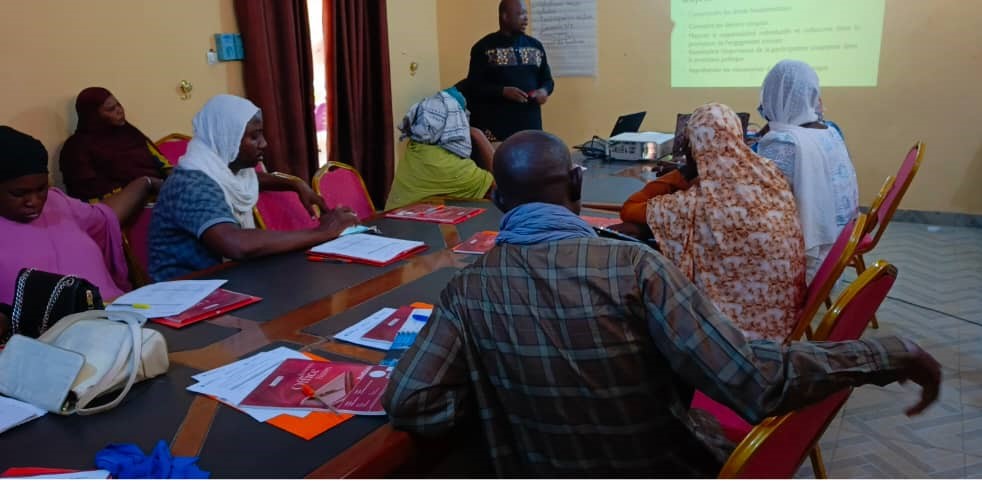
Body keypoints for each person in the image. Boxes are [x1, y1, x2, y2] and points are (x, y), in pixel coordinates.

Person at [381, 129, 942, 476]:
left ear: (498, 200)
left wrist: (491, 400)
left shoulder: (467, 291)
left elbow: (411, 400)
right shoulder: (636, 268)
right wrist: (882, 355)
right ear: (577, 183)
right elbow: (754, 379)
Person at [629, 103, 807, 341]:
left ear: (696, 149)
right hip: (783, 321)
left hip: (733, 340)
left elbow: (630, 210)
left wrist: (679, 175)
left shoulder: (696, 203)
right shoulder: (769, 174)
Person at [148, 95, 359, 281]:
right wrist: (323, 232)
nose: (264, 143)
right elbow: (235, 243)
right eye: (254, 136)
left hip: (224, 281)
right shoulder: (192, 182)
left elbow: (248, 181)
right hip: (186, 294)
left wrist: (295, 184)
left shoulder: (220, 169)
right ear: (226, 139)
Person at [0, 126, 155, 310]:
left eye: (41, 189)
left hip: (116, 316)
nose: (34, 201)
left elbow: (105, 217)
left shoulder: (57, 202)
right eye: (19, 194)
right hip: (41, 335)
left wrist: (146, 183)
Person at [756, 60, 860, 281]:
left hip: (808, 265)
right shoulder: (829, 131)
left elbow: (758, 201)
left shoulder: (784, 144)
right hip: (840, 249)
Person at [384, 81, 495, 210]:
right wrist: (478, 135)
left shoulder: (415, 148)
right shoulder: (452, 167)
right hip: (414, 227)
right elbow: (503, 187)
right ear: (457, 125)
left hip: (396, 222)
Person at [60, 87, 172, 201]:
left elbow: (163, 164)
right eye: (111, 109)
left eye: (118, 104)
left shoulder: (131, 133)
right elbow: (87, 195)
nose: (119, 111)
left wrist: (177, 184)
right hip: (119, 207)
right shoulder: (77, 147)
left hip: (159, 196)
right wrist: (145, 185)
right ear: (93, 116)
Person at [465, 0, 554, 142]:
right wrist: (502, 91)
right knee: (498, 165)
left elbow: (548, 80)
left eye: (526, 13)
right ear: (505, 17)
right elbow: (473, 86)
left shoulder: (536, 46)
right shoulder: (483, 48)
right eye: (520, 14)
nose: (526, 18)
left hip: (531, 129)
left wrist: (544, 91)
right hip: (496, 132)